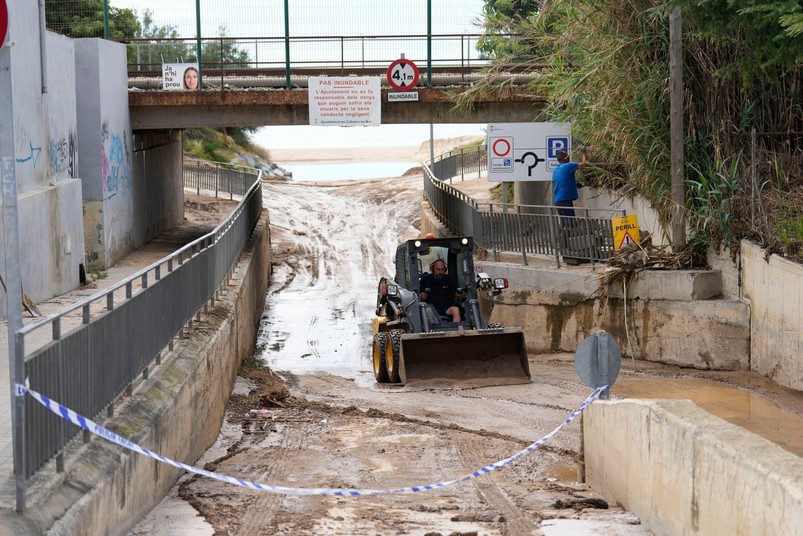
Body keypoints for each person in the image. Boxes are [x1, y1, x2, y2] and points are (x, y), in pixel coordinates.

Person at [552, 148, 587, 218]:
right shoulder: (568, 165)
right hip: (565, 201)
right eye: (568, 156)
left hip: (558, 201)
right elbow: (584, 163)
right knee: (571, 224)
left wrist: (574, 185)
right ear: (565, 158)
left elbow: (562, 181)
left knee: (566, 225)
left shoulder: (556, 169)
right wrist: (584, 152)